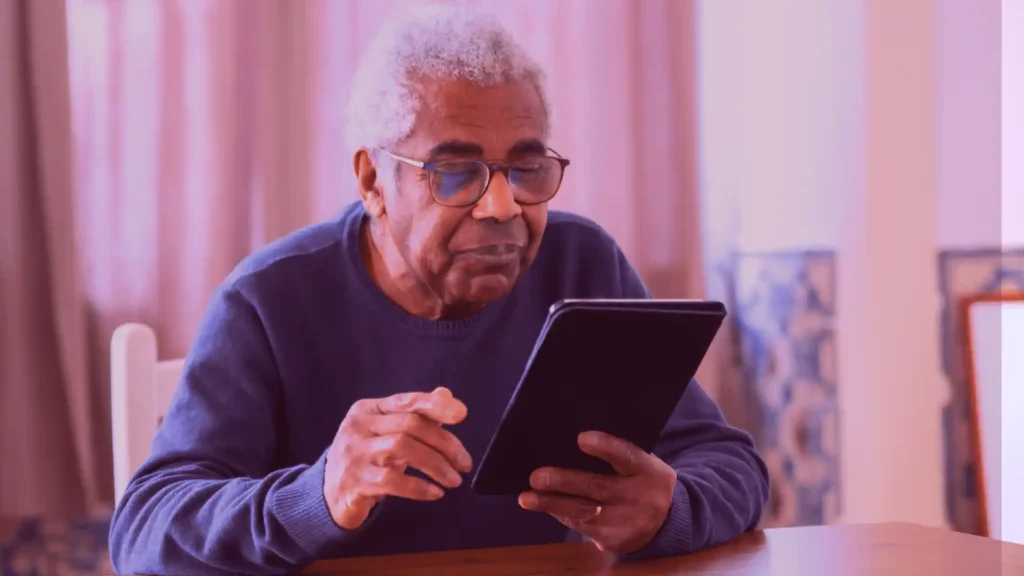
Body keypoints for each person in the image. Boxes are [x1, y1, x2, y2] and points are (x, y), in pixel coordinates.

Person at [108, 4, 770, 575]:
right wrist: (318, 494)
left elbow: (732, 466)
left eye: (527, 167)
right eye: (456, 172)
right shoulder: (269, 301)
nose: (502, 206)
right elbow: (143, 533)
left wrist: (669, 511)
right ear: (373, 182)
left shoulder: (582, 265)